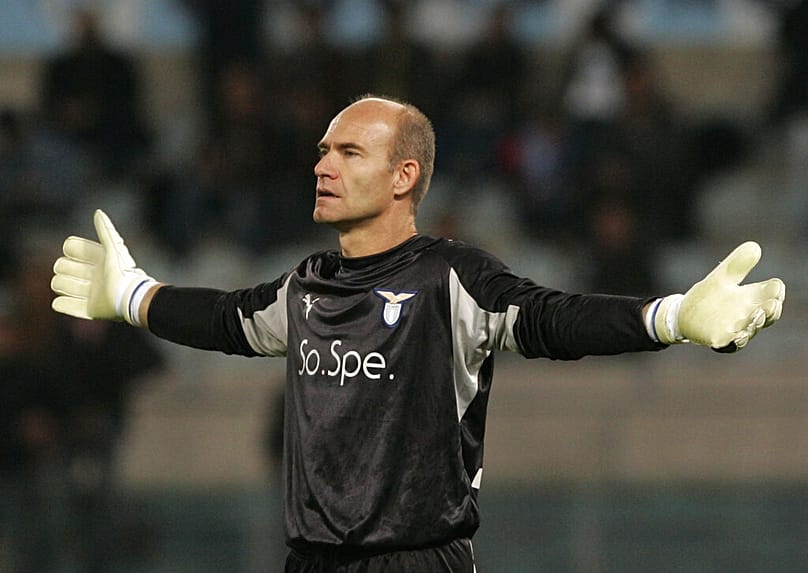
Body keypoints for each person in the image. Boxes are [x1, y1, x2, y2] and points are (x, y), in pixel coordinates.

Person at [50, 95, 785, 572]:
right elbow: (225, 319)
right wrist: (133, 294)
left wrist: (670, 318)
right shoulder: (306, 286)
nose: (322, 164)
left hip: (418, 562)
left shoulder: (450, 279)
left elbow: (552, 319)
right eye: (322, 150)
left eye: (347, 152)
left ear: (404, 176)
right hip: (309, 561)